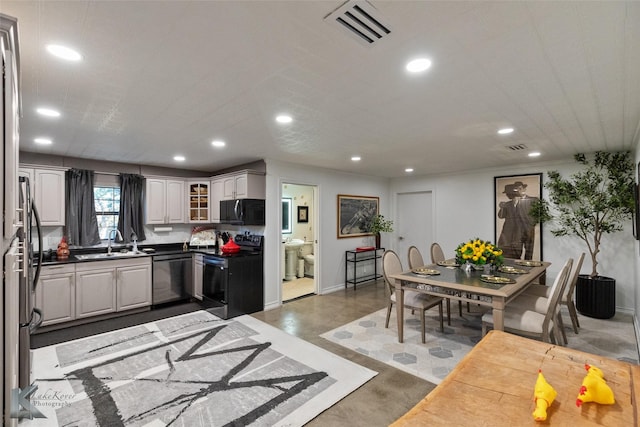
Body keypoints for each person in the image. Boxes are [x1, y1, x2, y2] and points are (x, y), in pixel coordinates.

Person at [497, 181, 539, 259]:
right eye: (506, 193)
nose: (507, 195)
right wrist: (502, 207)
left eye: (508, 193)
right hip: (510, 234)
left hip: (527, 231)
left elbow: (537, 216)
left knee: (528, 255)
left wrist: (530, 226)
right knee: (512, 255)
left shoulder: (533, 200)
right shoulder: (507, 204)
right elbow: (501, 216)